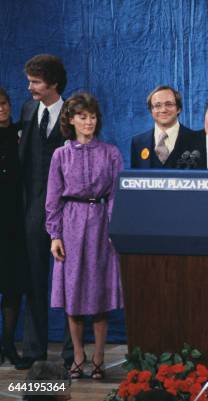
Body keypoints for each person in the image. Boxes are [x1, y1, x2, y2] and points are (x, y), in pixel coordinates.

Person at [46, 92, 123, 380]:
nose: (88, 121)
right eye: (82, 116)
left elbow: (116, 195)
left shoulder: (111, 153)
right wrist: (55, 234)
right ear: (71, 119)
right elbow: (53, 197)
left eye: (92, 116)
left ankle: (100, 355)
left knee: (100, 291)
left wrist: (115, 229)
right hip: (71, 224)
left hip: (101, 224)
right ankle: (78, 354)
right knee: (74, 292)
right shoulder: (60, 155)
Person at [17, 54, 73, 370]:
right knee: (34, 280)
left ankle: (71, 353)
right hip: (32, 211)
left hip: (68, 211)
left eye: (36, 82)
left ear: (53, 83)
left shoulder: (74, 113)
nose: (30, 88)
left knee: (69, 283)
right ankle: (35, 349)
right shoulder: (28, 110)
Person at [0, 87, 26, 367]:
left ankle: (9, 344)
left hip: (16, 221)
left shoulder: (21, 133)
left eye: (4, 103)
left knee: (13, 287)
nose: (1, 109)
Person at [131, 85, 201, 169]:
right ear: (151, 110)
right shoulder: (138, 142)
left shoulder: (198, 140)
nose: (163, 110)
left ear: (178, 108)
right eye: (157, 105)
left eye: (169, 104)